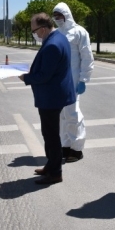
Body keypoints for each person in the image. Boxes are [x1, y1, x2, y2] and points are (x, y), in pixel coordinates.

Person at [19, 13, 76, 185]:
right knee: (49, 133)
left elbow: (44, 75)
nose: (34, 34)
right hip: (54, 94)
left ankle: (55, 172)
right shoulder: (59, 37)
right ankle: (51, 165)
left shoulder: (52, 45)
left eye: (34, 30)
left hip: (51, 97)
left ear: (43, 29)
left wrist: (26, 77)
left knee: (51, 136)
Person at [52, 2, 94, 163]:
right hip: (59, 80)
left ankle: (77, 149)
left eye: (59, 15)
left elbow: (87, 57)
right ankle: (66, 145)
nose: (57, 18)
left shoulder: (79, 32)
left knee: (73, 113)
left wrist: (83, 79)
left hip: (74, 79)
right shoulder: (56, 33)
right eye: (55, 16)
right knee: (62, 115)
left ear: (66, 15)